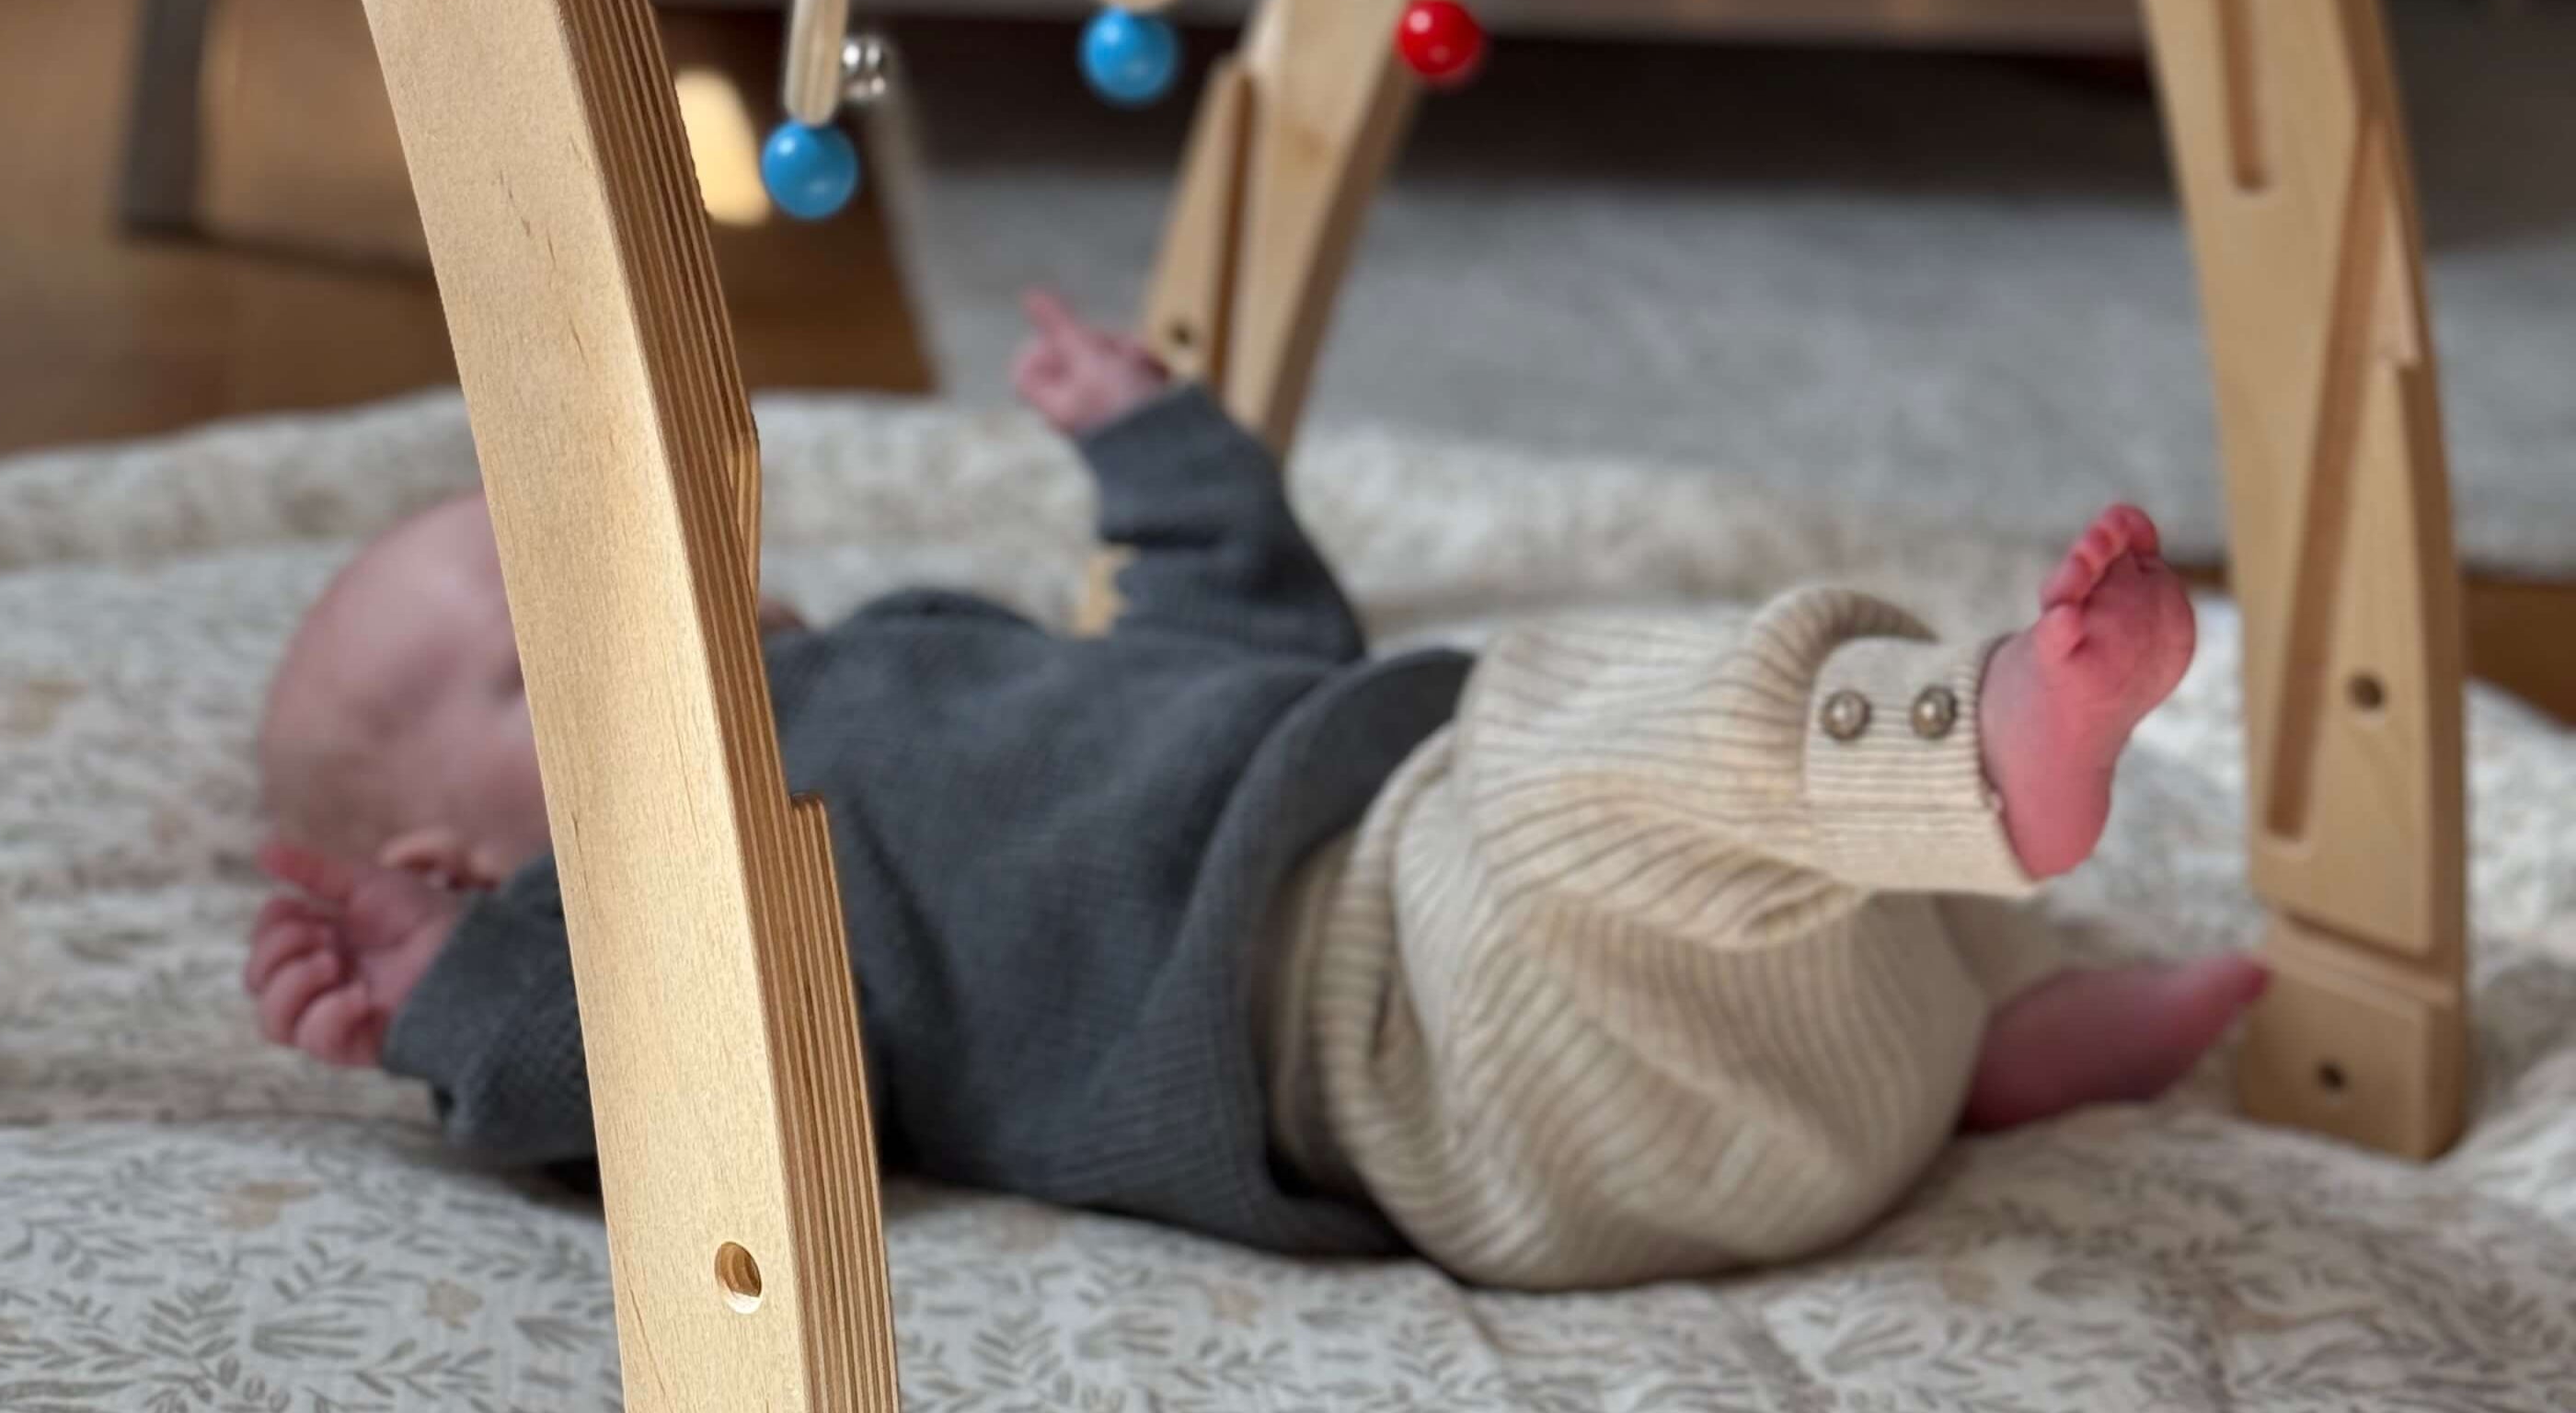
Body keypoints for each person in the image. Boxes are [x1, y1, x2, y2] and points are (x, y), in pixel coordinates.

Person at [247, 294, 2261, 1286]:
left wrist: (1163, 456)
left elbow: (1252, 648)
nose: (640, 618)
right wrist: (451, 991)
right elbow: (687, 1100)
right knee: (1568, 739)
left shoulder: (922, 646)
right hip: (1419, 1056)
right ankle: (1988, 752)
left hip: (1737, 1063)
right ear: (477, 857)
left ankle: (1999, 1042)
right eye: (547, 660)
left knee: (1723, 840)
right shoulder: (680, 908)